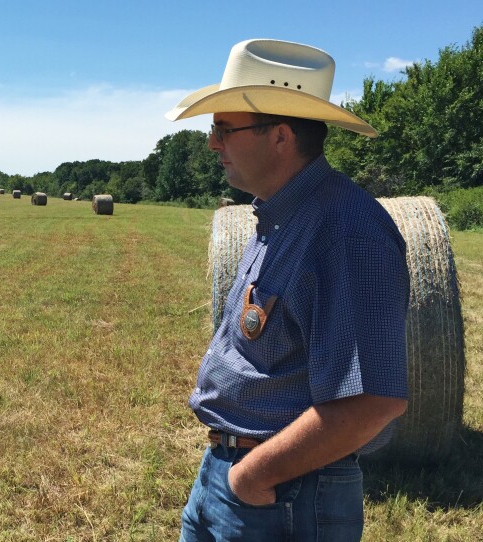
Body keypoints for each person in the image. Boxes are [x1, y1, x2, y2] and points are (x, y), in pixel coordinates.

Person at [165, 39, 410, 541]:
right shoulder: (280, 216)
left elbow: (372, 400)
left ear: (279, 136)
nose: (212, 143)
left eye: (224, 129)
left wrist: (252, 478)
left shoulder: (345, 231)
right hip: (237, 476)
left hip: (284, 494)